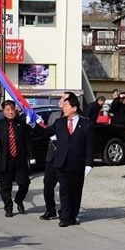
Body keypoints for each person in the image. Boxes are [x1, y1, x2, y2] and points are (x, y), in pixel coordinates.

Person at [40, 95, 93, 227]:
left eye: (67, 105)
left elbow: (89, 145)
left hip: (77, 162)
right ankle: (64, 216)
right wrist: (35, 123)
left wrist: (89, 163)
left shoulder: (85, 124)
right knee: (64, 189)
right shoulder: (59, 123)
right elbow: (45, 133)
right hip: (61, 161)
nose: (64, 108)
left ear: (74, 108)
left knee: (75, 190)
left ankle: (72, 216)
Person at [0, 100, 37, 218]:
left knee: (24, 183)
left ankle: (19, 199)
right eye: (7, 110)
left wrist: (32, 156)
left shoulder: (22, 124)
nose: (10, 112)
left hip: (19, 159)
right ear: (3, 111)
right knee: (5, 187)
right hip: (5, 160)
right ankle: (8, 207)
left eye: (12, 110)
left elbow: (28, 141)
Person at [39, 92, 77, 221]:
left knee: (66, 185)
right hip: (53, 154)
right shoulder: (55, 115)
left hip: (68, 156)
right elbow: (47, 131)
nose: (60, 100)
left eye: (63, 98)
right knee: (48, 183)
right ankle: (50, 209)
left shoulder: (78, 116)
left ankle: (66, 212)